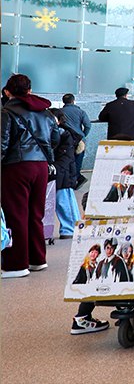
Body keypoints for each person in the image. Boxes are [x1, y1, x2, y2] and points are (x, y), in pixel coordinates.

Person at [1, 74, 61, 278]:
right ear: (30, 90)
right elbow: (55, 138)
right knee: (36, 214)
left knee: (16, 214)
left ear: (7, 91)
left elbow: (2, 143)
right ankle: (37, 259)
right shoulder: (45, 113)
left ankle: (17, 264)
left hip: (16, 167)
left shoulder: (7, 112)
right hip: (41, 166)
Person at [49, 108, 83, 237]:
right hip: (56, 170)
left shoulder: (65, 134)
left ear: (59, 121)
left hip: (63, 172)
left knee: (64, 200)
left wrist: (55, 168)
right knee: (62, 200)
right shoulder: (47, 133)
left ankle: (71, 228)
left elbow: (66, 157)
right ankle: (70, 228)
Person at [60, 93, 91, 181]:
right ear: (73, 101)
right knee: (78, 160)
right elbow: (88, 125)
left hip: (64, 139)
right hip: (79, 140)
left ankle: (68, 179)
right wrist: (83, 135)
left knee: (66, 160)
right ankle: (76, 177)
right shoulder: (80, 112)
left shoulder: (60, 112)